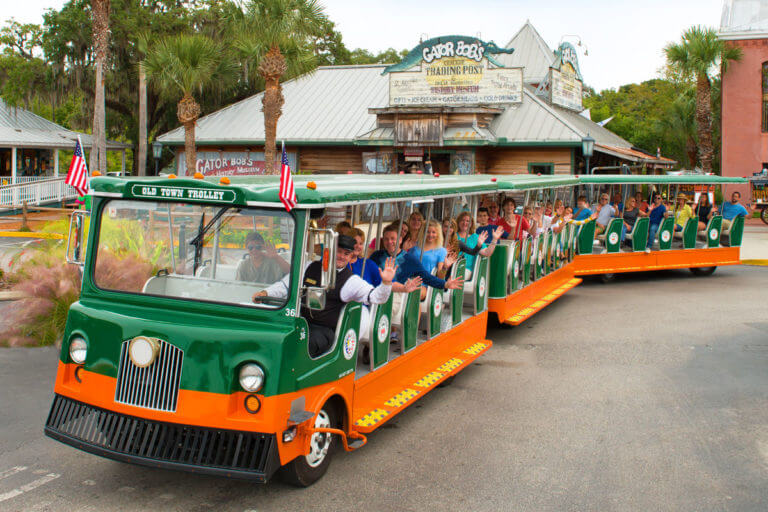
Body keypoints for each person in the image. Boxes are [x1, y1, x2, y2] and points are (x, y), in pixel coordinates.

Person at [255, 235, 395, 358]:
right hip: (299, 322)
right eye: (338, 251)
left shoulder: (351, 281)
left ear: (351, 256)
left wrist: (386, 282)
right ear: (331, 251)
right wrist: (266, 293)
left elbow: (376, 298)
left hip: (324, 331)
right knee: (271, 336)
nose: (341, 256)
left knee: (301, 346)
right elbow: (286, 285)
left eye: (346, 254)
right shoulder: (309, 266)